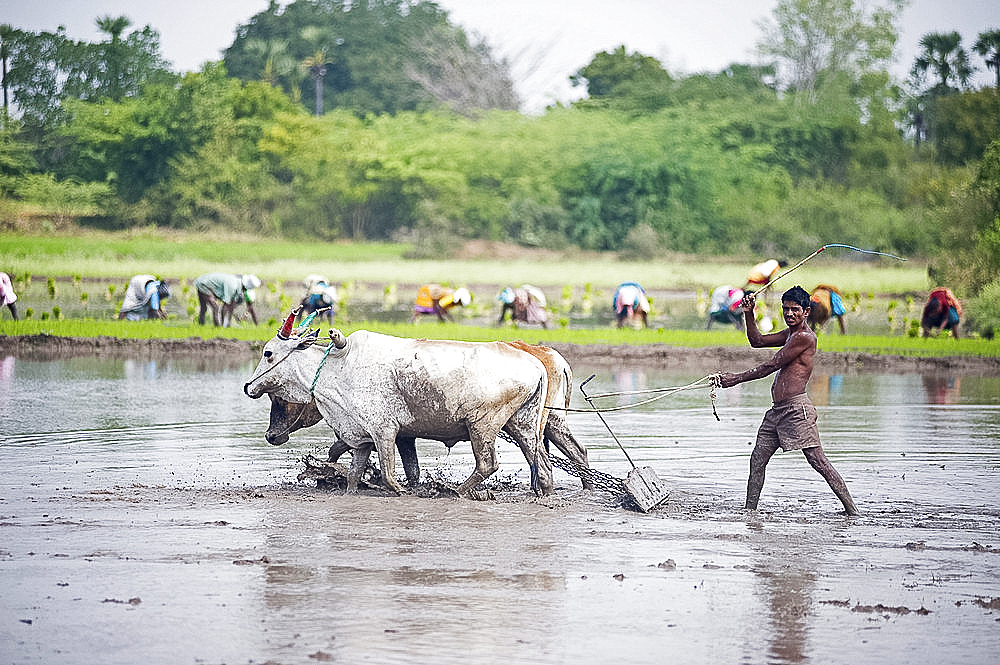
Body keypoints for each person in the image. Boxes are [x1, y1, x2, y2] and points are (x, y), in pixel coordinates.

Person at [717, 286, 859, 516]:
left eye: (795, 310)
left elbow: (771, 365)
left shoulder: (804, 337)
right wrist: (749, 313)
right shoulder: (790, 333)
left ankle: (852, 511)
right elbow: (757, 341)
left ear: (806, 311)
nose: (789, 314)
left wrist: (736, 379)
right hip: (778, 411)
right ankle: (749, 513)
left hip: (796, 410)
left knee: (817, 461)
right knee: (757, 460)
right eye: (786, 309)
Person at [193, 272, 261, 327]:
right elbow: (225, 306)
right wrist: (223, 324)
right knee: (215, 308)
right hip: (204, 284)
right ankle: (218, 328)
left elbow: (231, 305)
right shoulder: (233, 286)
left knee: (204, 308)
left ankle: (201, 325)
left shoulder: (236, 282)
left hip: (202, 281)